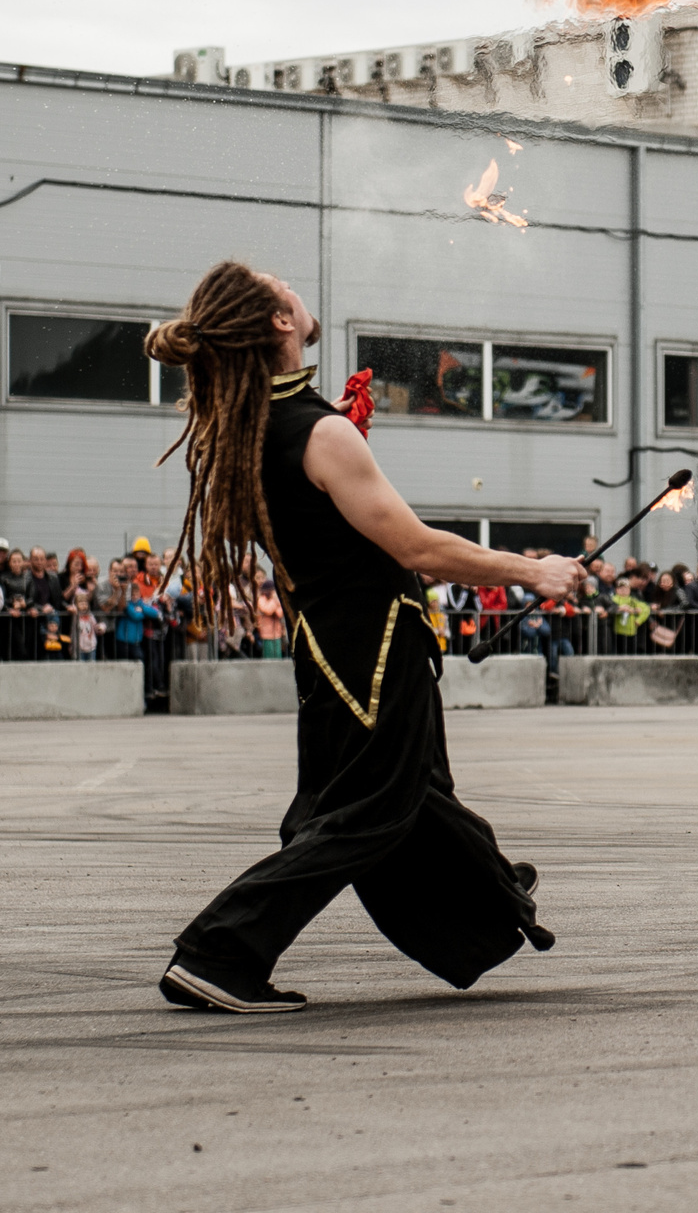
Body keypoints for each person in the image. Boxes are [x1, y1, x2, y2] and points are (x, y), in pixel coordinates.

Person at [150, 261, 576, 1014]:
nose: (289, 282)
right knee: (367, 812)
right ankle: (220, 951)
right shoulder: (315, 431)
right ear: (280, 323)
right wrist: (530, 570)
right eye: (276, 283)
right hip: (374, 649)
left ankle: (492, 889)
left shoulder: (250, 429)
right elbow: (415, 547)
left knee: (409, 792)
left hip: (331, 649)